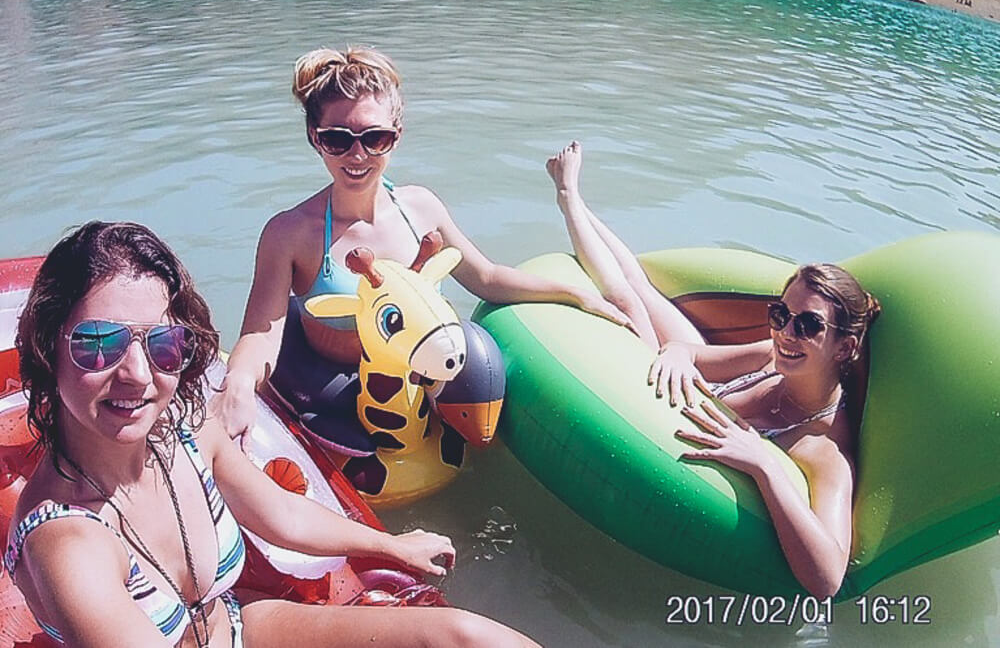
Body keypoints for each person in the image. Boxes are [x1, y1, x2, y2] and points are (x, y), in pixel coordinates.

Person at [6, 221, 540, 648]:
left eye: (163, 343)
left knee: (468, 637)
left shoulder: (184, 435)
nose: (139, 375)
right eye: (98, 345)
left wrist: (391, 545)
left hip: (241, 629)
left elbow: (280, 514)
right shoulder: (66, 541)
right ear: (48, 347)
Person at [216, 47, 630, 443]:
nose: (357, 154)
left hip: (418, 378)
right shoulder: (291, 233)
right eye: (338, 139)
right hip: (336, 392)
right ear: (314, 136)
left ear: (396, 135)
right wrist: (237, 384)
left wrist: (576, 294)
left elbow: (485, 277)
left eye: (374, 138)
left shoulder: (421, 207)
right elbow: (260, 334)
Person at [546, 141, 880, 598]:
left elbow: (827, 580)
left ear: (845, 348)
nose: (786, 333)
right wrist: (677, 355)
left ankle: (567, 196)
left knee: (626, 299)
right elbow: (691, 353)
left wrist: (765, 465)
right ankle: (573, 195)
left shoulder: (826, 454)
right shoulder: (773, 356)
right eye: (782, 315)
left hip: (686, 403)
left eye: (807, 325)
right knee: (640, 290)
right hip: (681, 384)